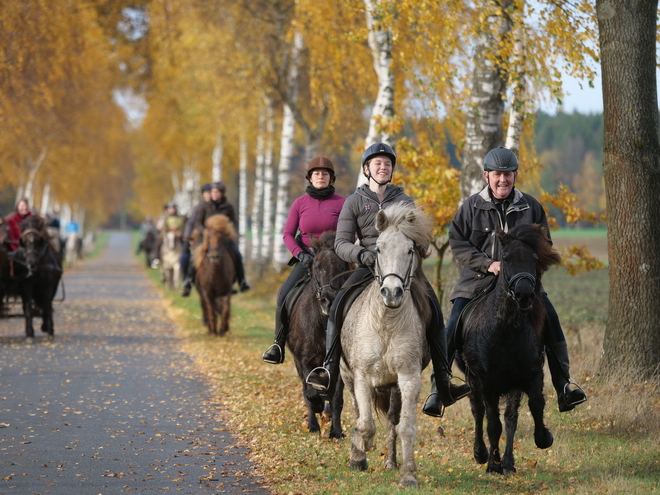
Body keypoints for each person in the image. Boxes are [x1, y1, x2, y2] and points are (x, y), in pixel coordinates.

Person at [305, 143, 470, 415]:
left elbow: (420, 240)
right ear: (367, 169)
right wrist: (362, 254)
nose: (383, 167)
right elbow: (342, 243)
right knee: (336, 307)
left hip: (402, 268)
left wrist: (418, 247)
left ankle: (444, 380)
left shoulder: (404, 201)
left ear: (392, 170)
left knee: (436, 310)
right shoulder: (354, 202)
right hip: (368, 266)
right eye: (377, 163)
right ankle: (329, 369)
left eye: (388, 164)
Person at [444, 146, 587, 413]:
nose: (503, 180)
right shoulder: (470, 207)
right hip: (476, 281)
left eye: (508, 174)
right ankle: (440, 386)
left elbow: (545, 245)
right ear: (486, 176)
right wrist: (489, 264)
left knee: (552, 319)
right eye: (497, 174)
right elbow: (458, 243)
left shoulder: (531, 206)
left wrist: (526, 271)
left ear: (516, 175)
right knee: (453, 324)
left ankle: (564, 386)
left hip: (521, 284)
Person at [262, 157, 346, 364]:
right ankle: (278, 343)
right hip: (307, 258)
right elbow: (288, 234)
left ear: (331, 178)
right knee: (284, 293)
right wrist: (300, 254)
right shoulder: (300, 203)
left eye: (325, 174)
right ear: (310, 177)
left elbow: (349, 233)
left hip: (334, 261)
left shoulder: (342, 203)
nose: (321, 177)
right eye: (317, 173)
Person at [194, 182, 250, 293]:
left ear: (222, 193)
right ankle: (189, 280)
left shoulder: (228, 207)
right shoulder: (204, 206)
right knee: (192, 256)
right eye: (213, 192)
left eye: (217, 192)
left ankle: (241, 281)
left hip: (223, 240)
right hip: (207, 239)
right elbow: (198, 222)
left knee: (237, 254)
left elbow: (233, 223)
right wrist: (205, 231)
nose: (214, 194)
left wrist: (226, 233)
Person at [181, 183, 212, 296]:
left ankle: (237, 280)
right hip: (201, 237)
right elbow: (192, 223)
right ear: (203, 194)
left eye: (211, 193)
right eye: (207, 193)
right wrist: (186, 237)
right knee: (189, 258)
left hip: (217, 238)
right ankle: (188, 280)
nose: (209, 195)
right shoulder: (199, 207)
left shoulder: (220, 206)